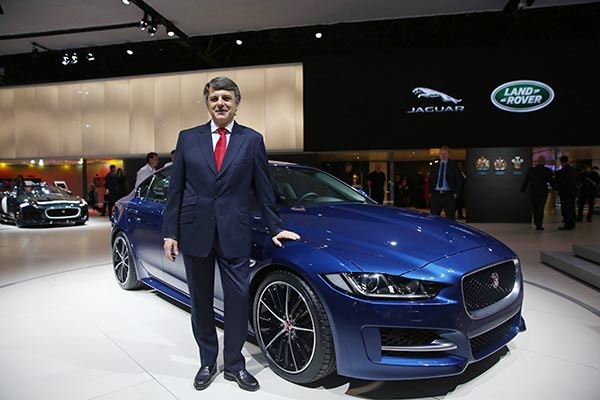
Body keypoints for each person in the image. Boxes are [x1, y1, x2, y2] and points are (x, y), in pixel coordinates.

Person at [162, 76, 300, 392]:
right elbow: (176, 189)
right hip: (195, 230)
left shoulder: (252, 140)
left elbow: (264, 188)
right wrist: (170, 232)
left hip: (235, 231)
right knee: (200, 301)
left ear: (237, 104)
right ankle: (207, 362)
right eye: (214, 98)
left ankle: (235, 365)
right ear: (207, 104)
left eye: (226, 98)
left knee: (237, 300)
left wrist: (276, 227)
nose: (220, 103)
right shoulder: (188, 138)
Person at [428, 145, 463, 220]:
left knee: (450, 218)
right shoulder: (435, 166)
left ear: (448, 155)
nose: (443, 155)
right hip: (436, 195)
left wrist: (456, 194)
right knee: (434, 218)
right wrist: (430, 192)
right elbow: (430, 179)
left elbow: (459, 180)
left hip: (448, 195)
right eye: (441, 154)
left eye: (445, 154)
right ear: (439, 155)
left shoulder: (453, 165)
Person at [520, 155, 553, 230]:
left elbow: (526, 181)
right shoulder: (547, 170)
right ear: (544, 162)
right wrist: (556, 188)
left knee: (535, 208)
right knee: (541, 208)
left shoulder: (532, 170)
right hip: (543, 192)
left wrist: (522, 190)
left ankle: (536, 222)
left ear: (538, 161)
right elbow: (551, 182)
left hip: (533, 192)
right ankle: (539, 224)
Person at [555, 155, 577, 230]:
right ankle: (572, 224)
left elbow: (559, 183)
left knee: (566, 208)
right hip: (572, 192)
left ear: (561, 162)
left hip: (565, 193)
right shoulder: (573, 170)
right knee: (571, 207)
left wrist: (557, 188)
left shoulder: (561, 172)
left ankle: (567, 225)